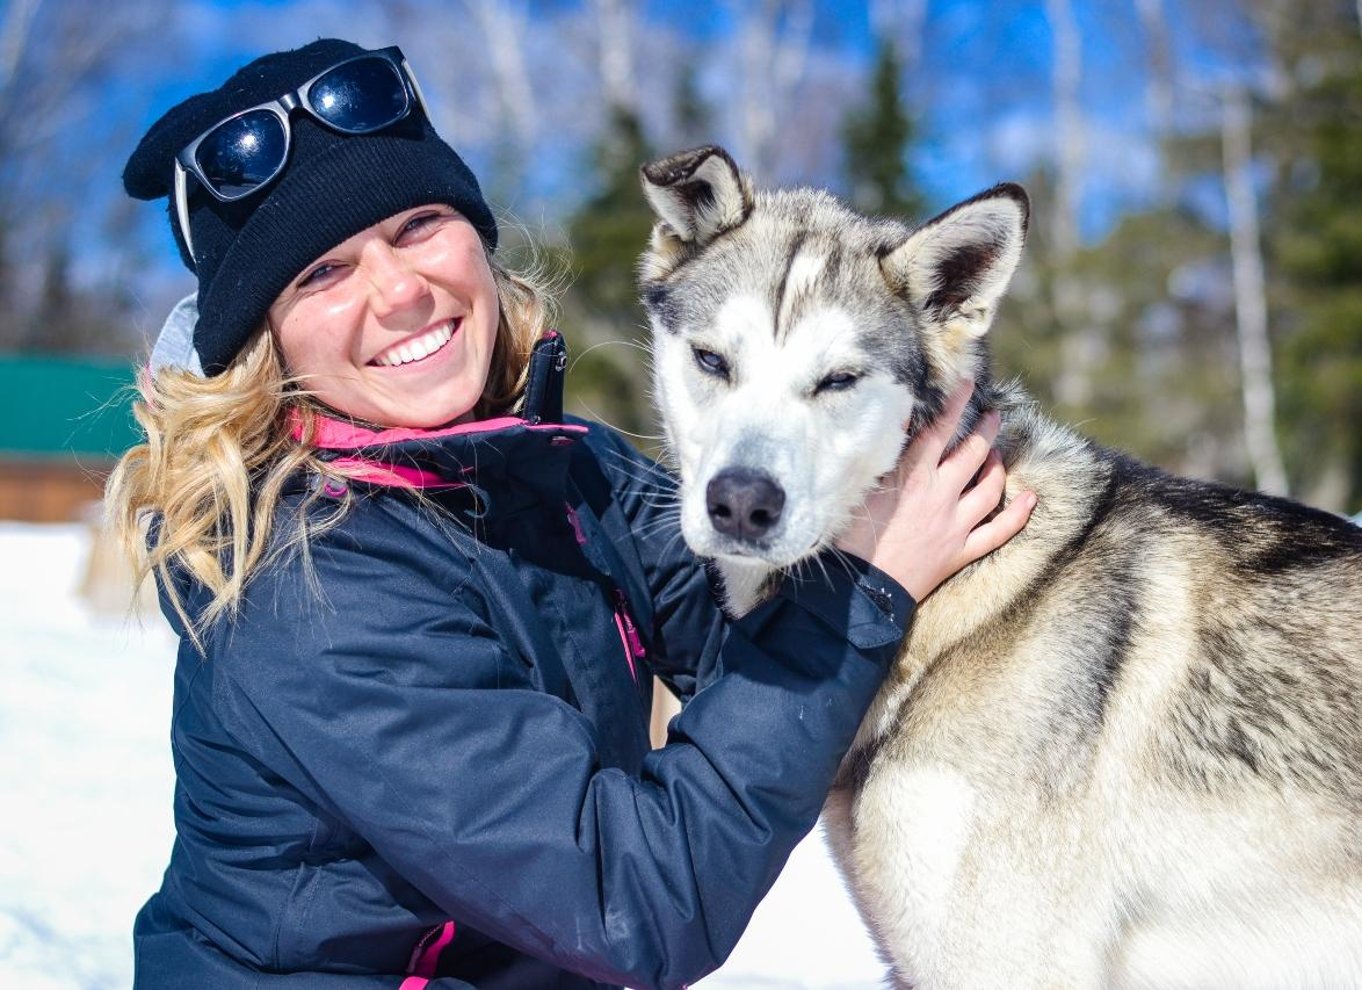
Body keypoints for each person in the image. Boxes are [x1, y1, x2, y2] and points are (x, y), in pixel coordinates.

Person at [108, 38, 1034, 990]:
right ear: (266, 341)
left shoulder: (557, 466)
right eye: (323, 274)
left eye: (418, 224)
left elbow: (743, 643)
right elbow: (630, 901)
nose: (398, 291)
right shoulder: (308, 583)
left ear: (475, 235)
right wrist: (875, 583)